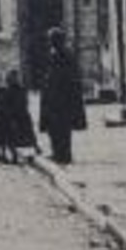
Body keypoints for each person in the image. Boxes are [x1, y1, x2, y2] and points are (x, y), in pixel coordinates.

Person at [38, 27, 87, 165]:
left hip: (60, 99)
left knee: (61, 129)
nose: (50, 42)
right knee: (55, 128)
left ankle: (63, 155)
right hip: (55, 98)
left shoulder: (63, 55)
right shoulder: (57, 54)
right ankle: (59, 153)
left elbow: (67, 77)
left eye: (52, 40)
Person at [0, 68, 37, 164]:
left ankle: (11, 155)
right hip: (20, 117)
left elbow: (8, 103)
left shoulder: (12, 90)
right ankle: (24, 155)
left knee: (12, 138)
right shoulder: (18, 90)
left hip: (15, 117)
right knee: (23, 138)